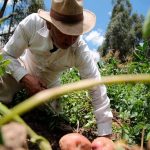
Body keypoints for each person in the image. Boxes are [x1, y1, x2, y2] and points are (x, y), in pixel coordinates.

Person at [0, 0, 113, 137]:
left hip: (49, 86)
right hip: (24, 69)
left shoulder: (80, 50)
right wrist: (24, 77)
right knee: (4, 80)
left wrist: (105, 132)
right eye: (65, 32)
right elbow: (7, 55)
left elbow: (96, 86)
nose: (71, 40)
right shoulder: (32, 24)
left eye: (75, 34)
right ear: (49, 24)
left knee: (53, 115)